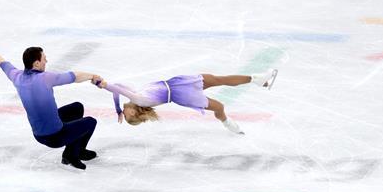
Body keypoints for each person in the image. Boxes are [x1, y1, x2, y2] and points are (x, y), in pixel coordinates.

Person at [0, 34, 101, 170]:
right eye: (44, 59)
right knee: (91, 122)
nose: (46, 61)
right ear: (36, 63)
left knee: (77, 108)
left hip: (38, 134)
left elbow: (1, 62)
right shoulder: (45, 78)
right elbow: (75, 76)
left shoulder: (16, 76)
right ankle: (73, 154)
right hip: (55, 136)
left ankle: (73, 151)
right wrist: (93, 76)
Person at [94, 70, 278, 134]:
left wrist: (117, 108)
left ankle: (257, 79)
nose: (124, 115)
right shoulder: (139, 99)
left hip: (178, 82)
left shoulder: (134, 94)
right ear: (134, 113)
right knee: (218, 106)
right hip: (182, 95)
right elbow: (114, 88)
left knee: (217, 79)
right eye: (126, 117)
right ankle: (227, 122)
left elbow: (118, 86)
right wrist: (103, 85)